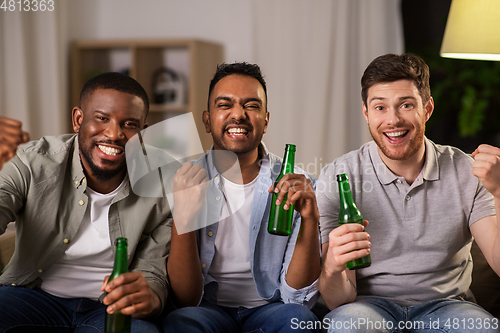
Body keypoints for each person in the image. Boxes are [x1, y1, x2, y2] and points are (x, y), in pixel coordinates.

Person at [317, 53, 500, 332]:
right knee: (345, 326)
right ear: (366, 113)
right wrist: (332, 266)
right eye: (380, 108)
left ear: (426, 109)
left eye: (405, 105)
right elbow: (338, 299)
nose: (393, 120)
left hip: (448, 305)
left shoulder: (467, 170)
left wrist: (499, 192)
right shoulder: (340, 177)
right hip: (368, 306)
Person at [0, 72, 171, 332]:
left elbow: (153, 270)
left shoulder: (162, 182)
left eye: (129, 124)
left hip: (110, 308)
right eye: (102, 118)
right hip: (32, 296)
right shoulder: (32, 162)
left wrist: (152, 297)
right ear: (78, 119)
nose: (114, 134)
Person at [163, 62, 322, 333]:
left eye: (251, 105)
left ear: (266, 120)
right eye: (225, 105)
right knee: (182, 323)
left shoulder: (298, 185)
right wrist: (183, 217)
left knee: (300, 321)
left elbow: (296, 298)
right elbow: (185, 300)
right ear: (206, 119)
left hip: (271, 308)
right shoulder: (180, 182)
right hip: (206, 309)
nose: (238, 114)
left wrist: (310, 219)